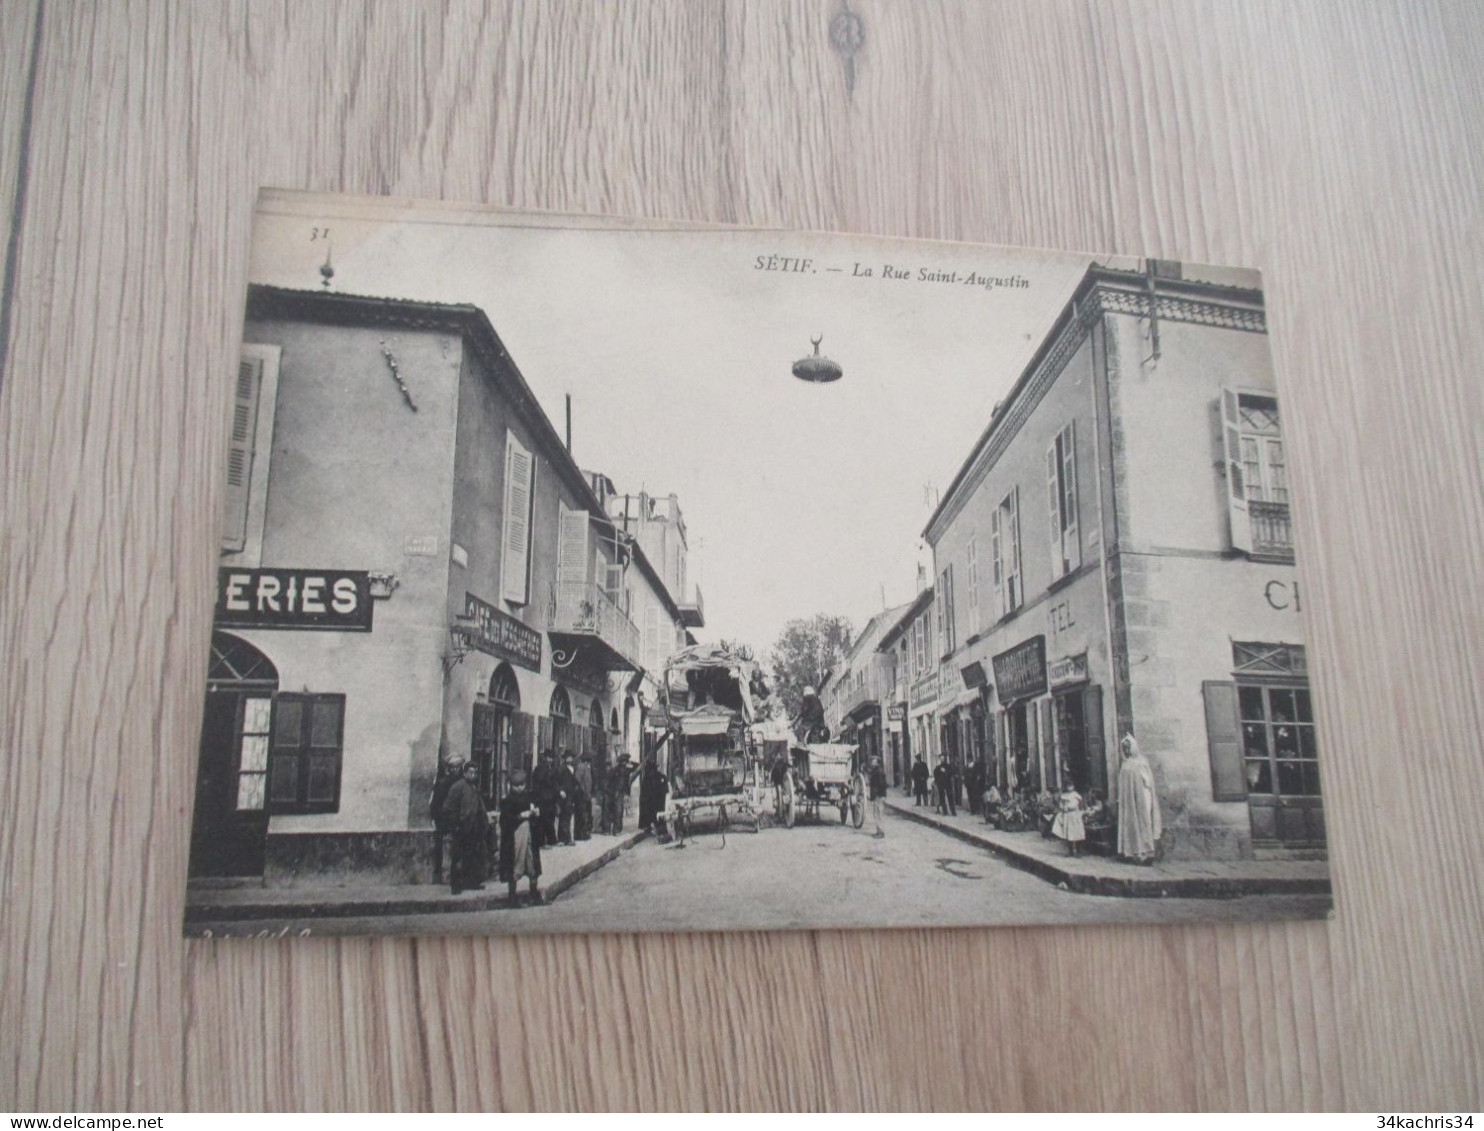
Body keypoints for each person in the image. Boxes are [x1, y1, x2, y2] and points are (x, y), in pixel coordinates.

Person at [440, 760, 490, 894]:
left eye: (475, 773)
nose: (473, 775)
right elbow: (447, 808)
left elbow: (478, 807)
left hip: (473, 828)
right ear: (465, 773)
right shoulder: (458, 787)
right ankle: (456, 886)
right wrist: (455, 824)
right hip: (461, 828)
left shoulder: (474, 787)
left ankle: (471, 883)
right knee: (458, 857)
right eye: (470, 772)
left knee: (472, 857)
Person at [498, 769, 542, 905]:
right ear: (511, 786)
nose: (519, 788)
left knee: (532, 865)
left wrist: (535, 813)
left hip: (530, 836)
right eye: (516, 785)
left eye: (522, 785)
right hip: (515, 838)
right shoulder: (507, 801)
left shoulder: (530, 798)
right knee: (515, 864)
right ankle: (512, 897)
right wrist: (520, 816)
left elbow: (537, 819)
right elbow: (504, 821)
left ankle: (534, 894)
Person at [1116, 733, 1162, 864]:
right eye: (1124, 747)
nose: (1126, 749)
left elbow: (1148, 781)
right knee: (1131, 823)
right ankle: (1134, 852)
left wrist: (1141, 790)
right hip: (1130, 800)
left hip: (1142, 797)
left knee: (1143, 821)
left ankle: (1147, 852)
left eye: (1128, 746)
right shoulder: (1125, 764)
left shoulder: (1141, 762)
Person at [428, 755, 463, 884]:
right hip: (446, 823)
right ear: (449, 768)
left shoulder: (464, 783)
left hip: (461, 822)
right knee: (446, 851)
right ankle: (445, 877)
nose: (456, 770)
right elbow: (436, 804)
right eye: (453, 767)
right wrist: (438, 820)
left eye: (458, 767)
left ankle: (456, 878)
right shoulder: (442, 784)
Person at [530, 749, 562, 848]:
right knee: (543, 821)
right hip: (543, 798)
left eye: (552, 758)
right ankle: (543, 842)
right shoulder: (541, 769)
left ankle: (551, 840)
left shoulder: (548, 768)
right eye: (549, 758)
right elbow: (541, 783)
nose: (550, 760)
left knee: (549, 820)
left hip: (549, 798)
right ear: (545, 758)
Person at [603, 752, 639, 835]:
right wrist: (610, 792)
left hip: (620, 793)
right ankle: (607, 830)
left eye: (626, 761)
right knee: (609, 811)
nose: (625, 763)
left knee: (618, 811)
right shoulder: (614, 770)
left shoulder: (626, 771)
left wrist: (631, 762)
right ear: (621, 762)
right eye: (624, 761)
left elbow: (637, 766)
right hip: (612, 792)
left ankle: (616, 830)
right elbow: (608, 782)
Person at [1051, 781, 1086, 856]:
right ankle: (1070, 851)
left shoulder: (1075, 795)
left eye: (1071, 785)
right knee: (1068, 833)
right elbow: (1061, 805)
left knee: (1076, 833)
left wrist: (1067, 806)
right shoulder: (1064, 795)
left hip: (1074, 816)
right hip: (1067, 816)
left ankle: (1078, 851)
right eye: (1068, 786)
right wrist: (1063, 805)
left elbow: (1074, 805)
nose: (1069, 787)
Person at [556, 750, 581, 846]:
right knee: (563, 816)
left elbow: (575, 781)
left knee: (568, 816)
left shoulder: (573, 768)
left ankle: (568, 838)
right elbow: (557, 782)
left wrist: (576, 788)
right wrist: (560, 791)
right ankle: (562, 839)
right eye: (568, 757)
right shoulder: (561, 769)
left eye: (571, 757)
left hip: (571, 795)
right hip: (564, 795)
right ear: (565, 758)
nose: (569, 759)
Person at [638, 758, 669, 833]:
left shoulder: (661, 777)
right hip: (649, 801)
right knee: (647, 814)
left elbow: (665, 788)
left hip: (658, 800)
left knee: (659, 816)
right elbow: (643, 791)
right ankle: (647, 827)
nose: (650, 772)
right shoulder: (646, 779)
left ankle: (660, 828)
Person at [867, 756, 889, 838]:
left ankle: (880, 832)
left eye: (873, 761)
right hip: (879, 795)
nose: (871, 762)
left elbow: (880, 784)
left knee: (878, 813)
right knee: (877, 813)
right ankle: (878, 831)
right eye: (872, 761)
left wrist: (876, 794)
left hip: (879, 795)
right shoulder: (877, 771)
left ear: (877, 762)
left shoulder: (878, 772)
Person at [573, 752, 593, 842]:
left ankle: (584, 832)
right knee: (581, 814)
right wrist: (582, 791)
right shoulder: (581, 767)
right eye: (588, 761)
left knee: (585, 814)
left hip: (586, 795)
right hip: (581, 795)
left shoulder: (587, 767)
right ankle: (579, 834)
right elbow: (577, 780)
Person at [770, 752, 792, 819]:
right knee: (780, 796)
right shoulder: (779, 765)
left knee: (780, 796)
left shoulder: (777, 765)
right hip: (780, 783)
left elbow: (773, 775)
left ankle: (780, 811)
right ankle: (781, 811)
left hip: (780, 783)